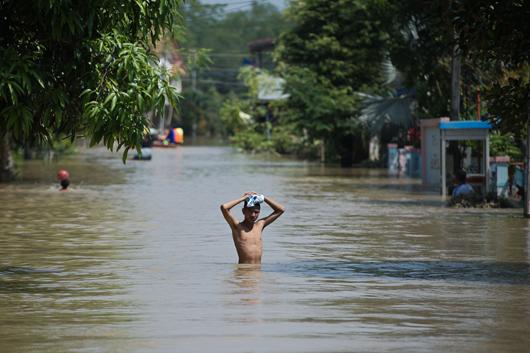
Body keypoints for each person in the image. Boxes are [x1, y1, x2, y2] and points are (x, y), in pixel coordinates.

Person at [220, 192, 285, 264]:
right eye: (250, 211)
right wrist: (243, 199)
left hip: (258, 270)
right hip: (244, 271)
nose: (253, 215)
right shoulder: (237, 227)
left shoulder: (260, 225)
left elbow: (281, 210)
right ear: (243, 211)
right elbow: (224, 207)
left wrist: (263, 198)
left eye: (256, 212)